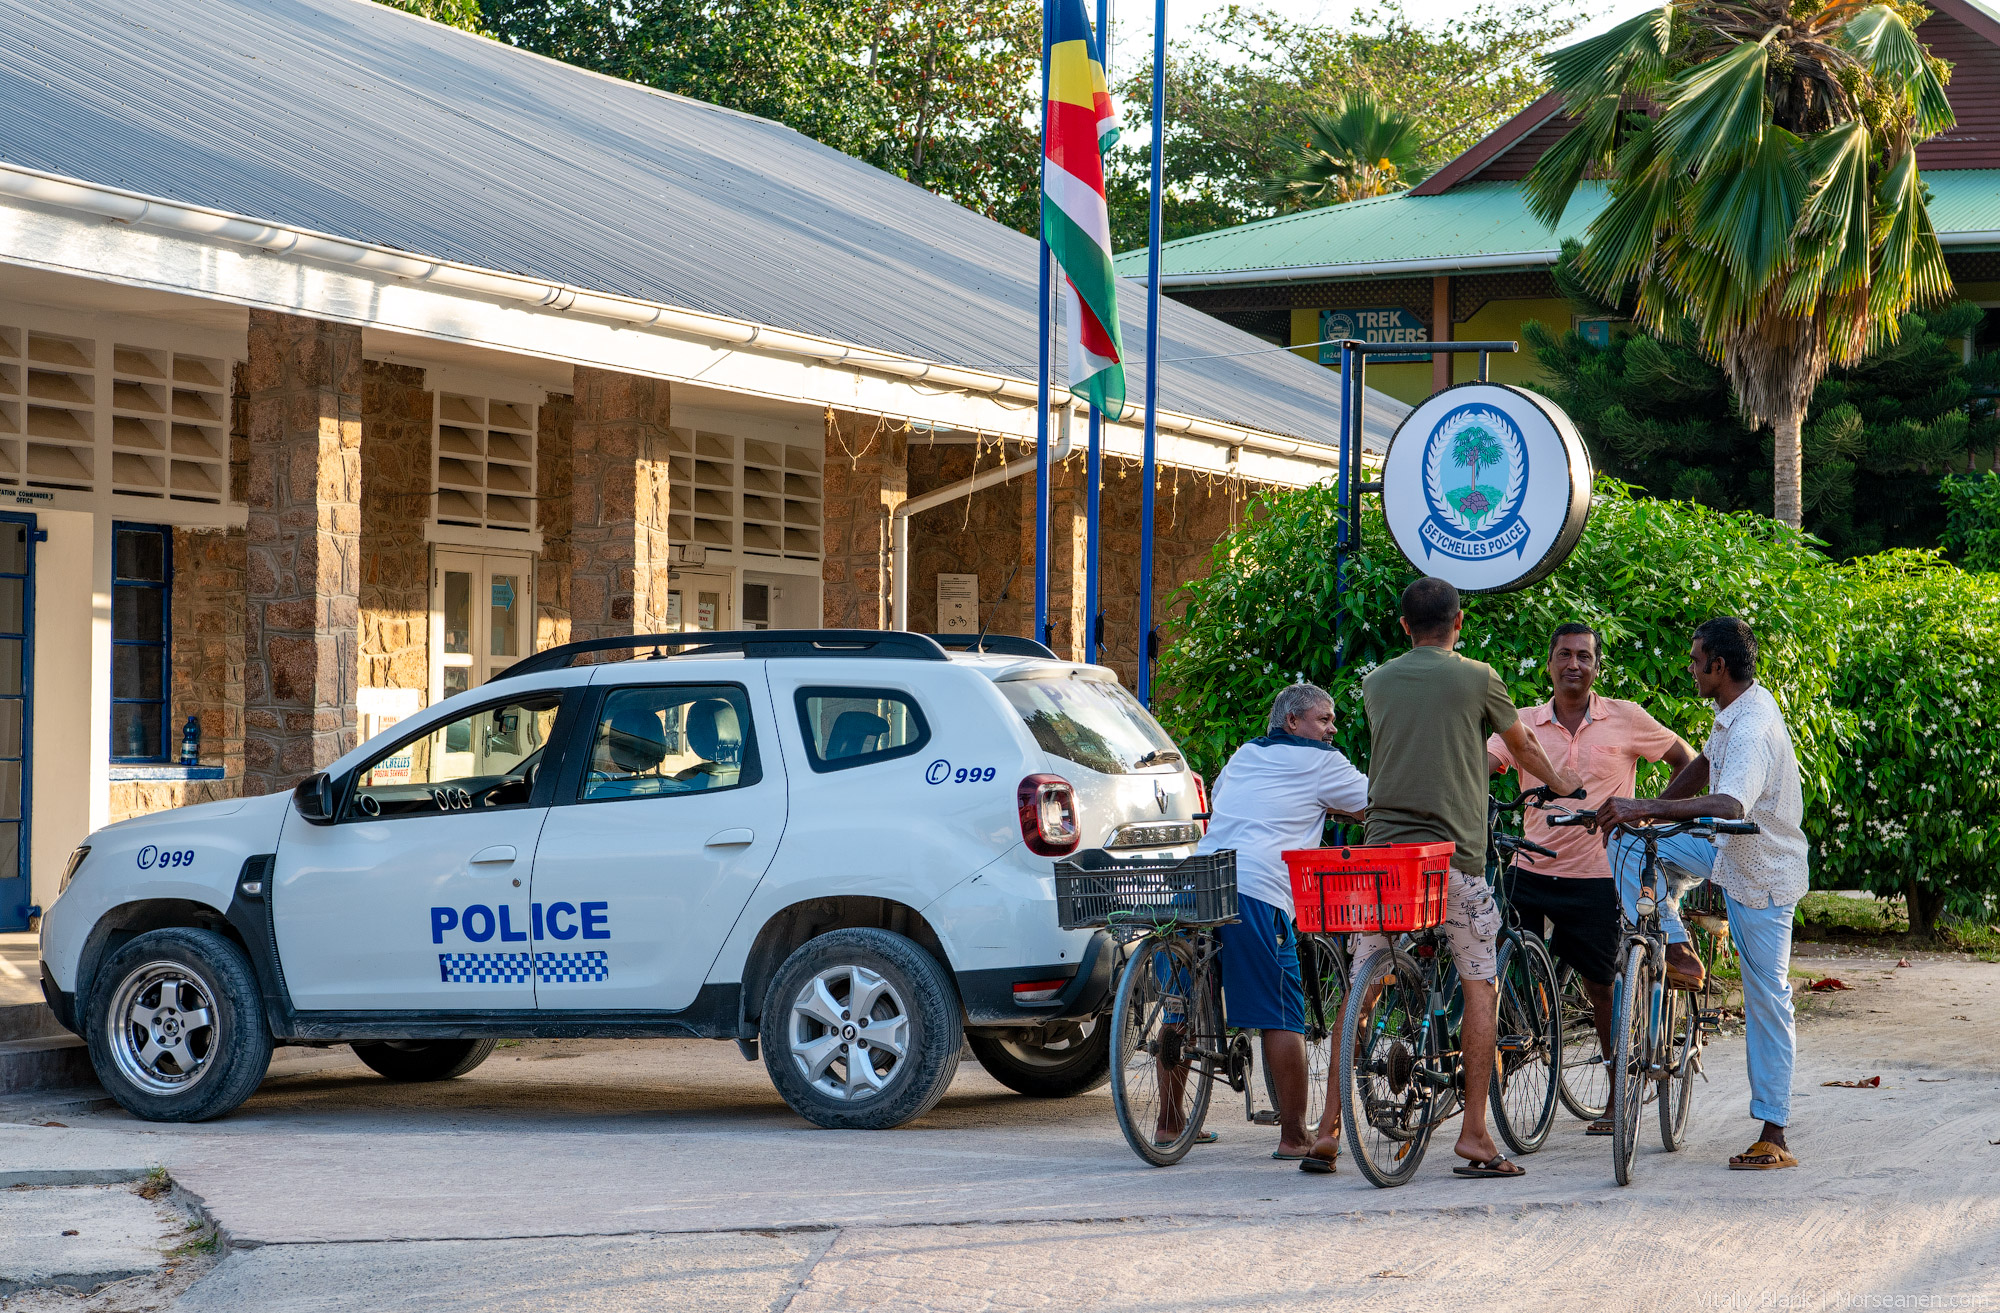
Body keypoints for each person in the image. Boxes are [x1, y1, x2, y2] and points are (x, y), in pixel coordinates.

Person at [1325, 577, 1580, 1180]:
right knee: (1479, 984)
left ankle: (1327, 1130)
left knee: (1364, 979)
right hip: (1453, 861)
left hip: (1385, 860)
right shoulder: (1478, 676)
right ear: (1458, 622)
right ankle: (1473, 1133)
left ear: (1404, 626)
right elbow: (1522, 747)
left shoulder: (1376, 682)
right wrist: (1566, 789)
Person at [1597, 616, 1808, 1170]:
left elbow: (1731, 803)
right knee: (1625, 846)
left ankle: (1774, 1132)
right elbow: (1704, 766)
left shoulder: (1753, 726)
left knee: (1766, 995)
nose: (1690, 669)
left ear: (1718, 666)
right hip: (1723, 851)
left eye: (1695, 661)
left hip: (1761, 870)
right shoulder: (1732, 712)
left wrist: (1645, 806)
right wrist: (1644, 818)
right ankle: (1673, 944)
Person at [1486, 622, 1692, 1134]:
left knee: (1602, 987)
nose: (1573, 664)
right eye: (1564, 655)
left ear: (1596, 665)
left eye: (1584, 656)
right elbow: (1486, 762)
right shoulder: (1524, 722)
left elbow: (1683, 758)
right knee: (1495, 976)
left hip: (1599, 875)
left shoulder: (1624, 717)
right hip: (1529, 867)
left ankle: (1618, 1089)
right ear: (1549, 663)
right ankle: (1500, 1078)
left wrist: (1653, 811)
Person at [1192, 682, 1368, 1161]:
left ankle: (1168, 1126)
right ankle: (1294, 1136)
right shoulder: (1322, 763)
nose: (1333, 729)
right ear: (1293, 722)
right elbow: (1374, 803)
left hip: (1202, 879)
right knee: (1282, 1013)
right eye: (1324, 719)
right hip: (1258, 887)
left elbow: (1232, 800)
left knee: (1184, 1008)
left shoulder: (1246, 753)